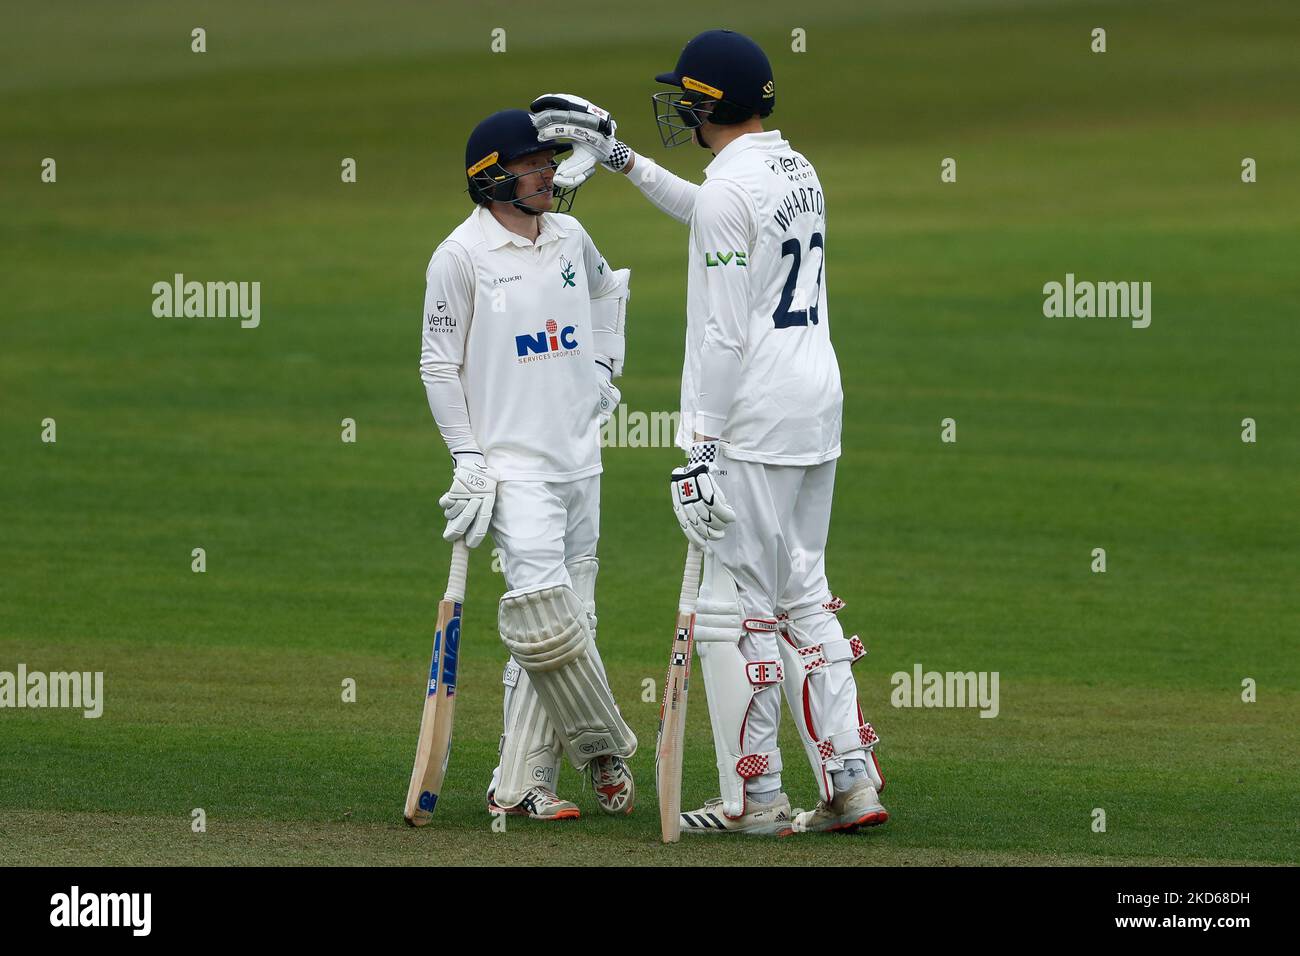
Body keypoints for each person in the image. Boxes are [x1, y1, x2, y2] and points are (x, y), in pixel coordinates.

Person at [531, 29, 888, 835]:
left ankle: (754, 798)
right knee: (806, 595)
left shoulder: (733, 191)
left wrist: (698, 448)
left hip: (757, 416)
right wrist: (622, 162)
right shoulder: (793, 168)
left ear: (706, 106)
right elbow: (711, 214)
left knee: (745, 609)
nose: (678, 108)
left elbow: (722, 334)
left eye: (685, 97)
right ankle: (852, 780)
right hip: (816, 403)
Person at [419, 108, 635, 821]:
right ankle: (580, 760)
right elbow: (437, 366)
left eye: (549, 162)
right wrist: (471, 459)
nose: (548, 172)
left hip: (581, 459)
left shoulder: (570, 236)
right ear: (492, 177)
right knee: (544, 620)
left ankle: (529, 778)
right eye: (533, 163)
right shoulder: (460, 257)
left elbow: (609, 292)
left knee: (574, 618)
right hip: (517, 470)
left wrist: (606, 366)